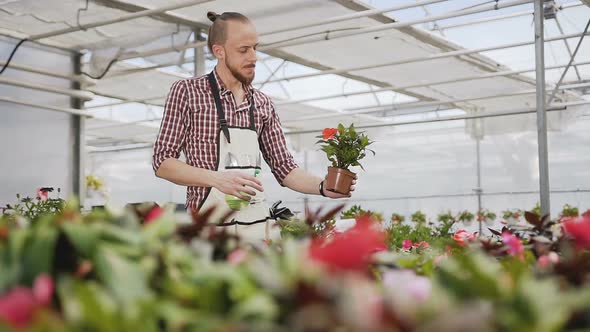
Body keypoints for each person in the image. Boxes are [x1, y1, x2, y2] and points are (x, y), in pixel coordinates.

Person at [152, 11, 355, 241]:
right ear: (219, 51)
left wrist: (322, 186)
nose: (254, 57)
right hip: (208, 233)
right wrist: (216, 178)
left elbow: (285, 168)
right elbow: (162, 162)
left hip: (257, 231)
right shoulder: (188, 92)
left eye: (255, 48)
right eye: (243, 50)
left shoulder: (262, 103)